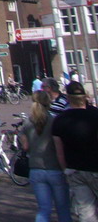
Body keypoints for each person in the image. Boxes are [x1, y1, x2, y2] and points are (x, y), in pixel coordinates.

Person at [18, 90, 71, 222]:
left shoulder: (27, 123)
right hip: (55, 169)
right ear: (48, 102)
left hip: (36, 169)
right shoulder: (54, 121)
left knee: (43, 209)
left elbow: (25, 147)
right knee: (63, 209)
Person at [52, 80, 98, 222]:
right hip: (95, 167)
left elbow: (59, 151)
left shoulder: (59, 120)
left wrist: (66, 169)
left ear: (68, 98)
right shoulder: (95, 115)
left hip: (75, 170)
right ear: (84, 96)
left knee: (86, 213)